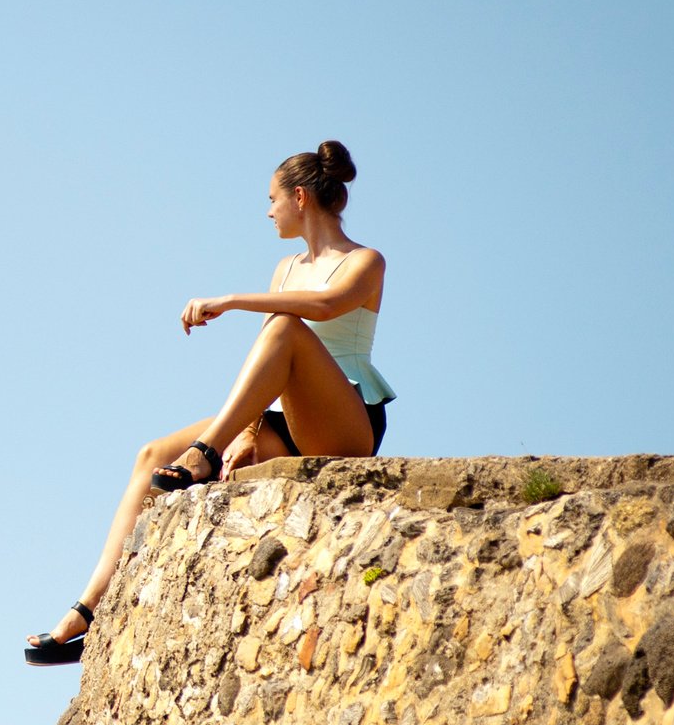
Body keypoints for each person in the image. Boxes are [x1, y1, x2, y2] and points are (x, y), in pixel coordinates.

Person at [23, 140, 396, 666]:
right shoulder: (285, 268)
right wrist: (246, 432)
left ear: (299, 197)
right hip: (283, 416)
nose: (267, 211)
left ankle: (205, 451)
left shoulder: (366, 261)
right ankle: (89, 610)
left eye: (271, 200)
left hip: (346, 422)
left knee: (288, 327)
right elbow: (270, 364)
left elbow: (326, 306)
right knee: (151, 456)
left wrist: (231, 300)